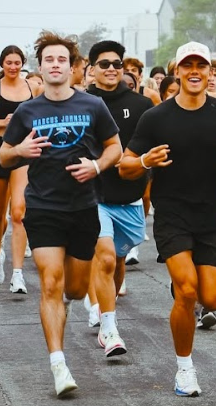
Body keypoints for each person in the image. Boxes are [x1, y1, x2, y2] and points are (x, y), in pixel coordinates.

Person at [119, 41, 216, 397]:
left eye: (201, 66)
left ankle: (185, 291)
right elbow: (125, 165)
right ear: (177, 71)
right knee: (189, 291)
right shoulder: (157, 117)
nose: (195, 71)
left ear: (211, 73)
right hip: (172, 213)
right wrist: (146, 161)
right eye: (188, 65)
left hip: (210, 217)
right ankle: (185, 369)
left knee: (212, 299)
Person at [0, 31, 122, 397]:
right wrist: (19, 148)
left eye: (62, 60)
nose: (55, 65)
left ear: (72, 67)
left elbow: (115, 147)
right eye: (49, 60)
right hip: (43, 207)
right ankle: (58, 364)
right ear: (41, 66)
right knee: (50, 282)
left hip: (84, 208)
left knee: (72, 287)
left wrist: (97, 167)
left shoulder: (92, 106)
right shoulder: (28, 110)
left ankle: (72, 302)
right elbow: (3, 155)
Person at [85, 40, 155, 356]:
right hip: (90, 195)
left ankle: (102, 303)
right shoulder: (79, 102)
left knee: (118, 263)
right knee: (105, 256)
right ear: (91, 69)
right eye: (104, 64)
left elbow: (154, 147)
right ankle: (109, 328)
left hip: (129, 198)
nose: (111, 69)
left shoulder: (141, 105)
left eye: (116, 63)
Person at [0, 46, 41, 293]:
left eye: (17, 63)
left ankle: (17, 274)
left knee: (18, 212)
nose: (13, 67)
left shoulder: (32, 88)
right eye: (8, 63)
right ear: (2, 64)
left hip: (23, 152)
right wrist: (3, 123)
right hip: (0, 151)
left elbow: (42, 114)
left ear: (22, 63)